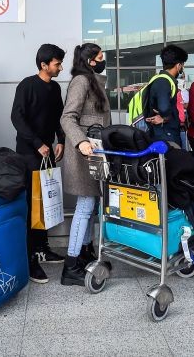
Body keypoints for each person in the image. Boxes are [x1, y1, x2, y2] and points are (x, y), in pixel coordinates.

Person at [10, 43, 67, 284]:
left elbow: (58, 117)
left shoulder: (54, 88)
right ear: (44, 65)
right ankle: (30, 258)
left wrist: (61, 141)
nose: (61, 67)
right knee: (32, 206)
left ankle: (43, 248)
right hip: (29, 153)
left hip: (48, 153)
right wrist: (37, 144)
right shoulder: (27, 85)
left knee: (46, 202)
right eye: (57, 63)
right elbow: (17, 117)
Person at [59, 43, 111, 286]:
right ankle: (71, 266)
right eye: (100, 57)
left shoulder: (93, 80)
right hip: (84, 153)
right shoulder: (81, 81)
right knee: (85, 205)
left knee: (91, 206)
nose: (103, 60)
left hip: (95, 152)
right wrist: (80, 142)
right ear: (91, 60)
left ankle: (84, 253)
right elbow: (68, 117)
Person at [144, 44, 188, 144]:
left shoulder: (162, 80)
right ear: (178, 65)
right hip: (166, 135)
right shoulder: (163, 81)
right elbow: (163, 107)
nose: (182, 68)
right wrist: (165, 118)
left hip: (165, 133)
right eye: (182, 65)